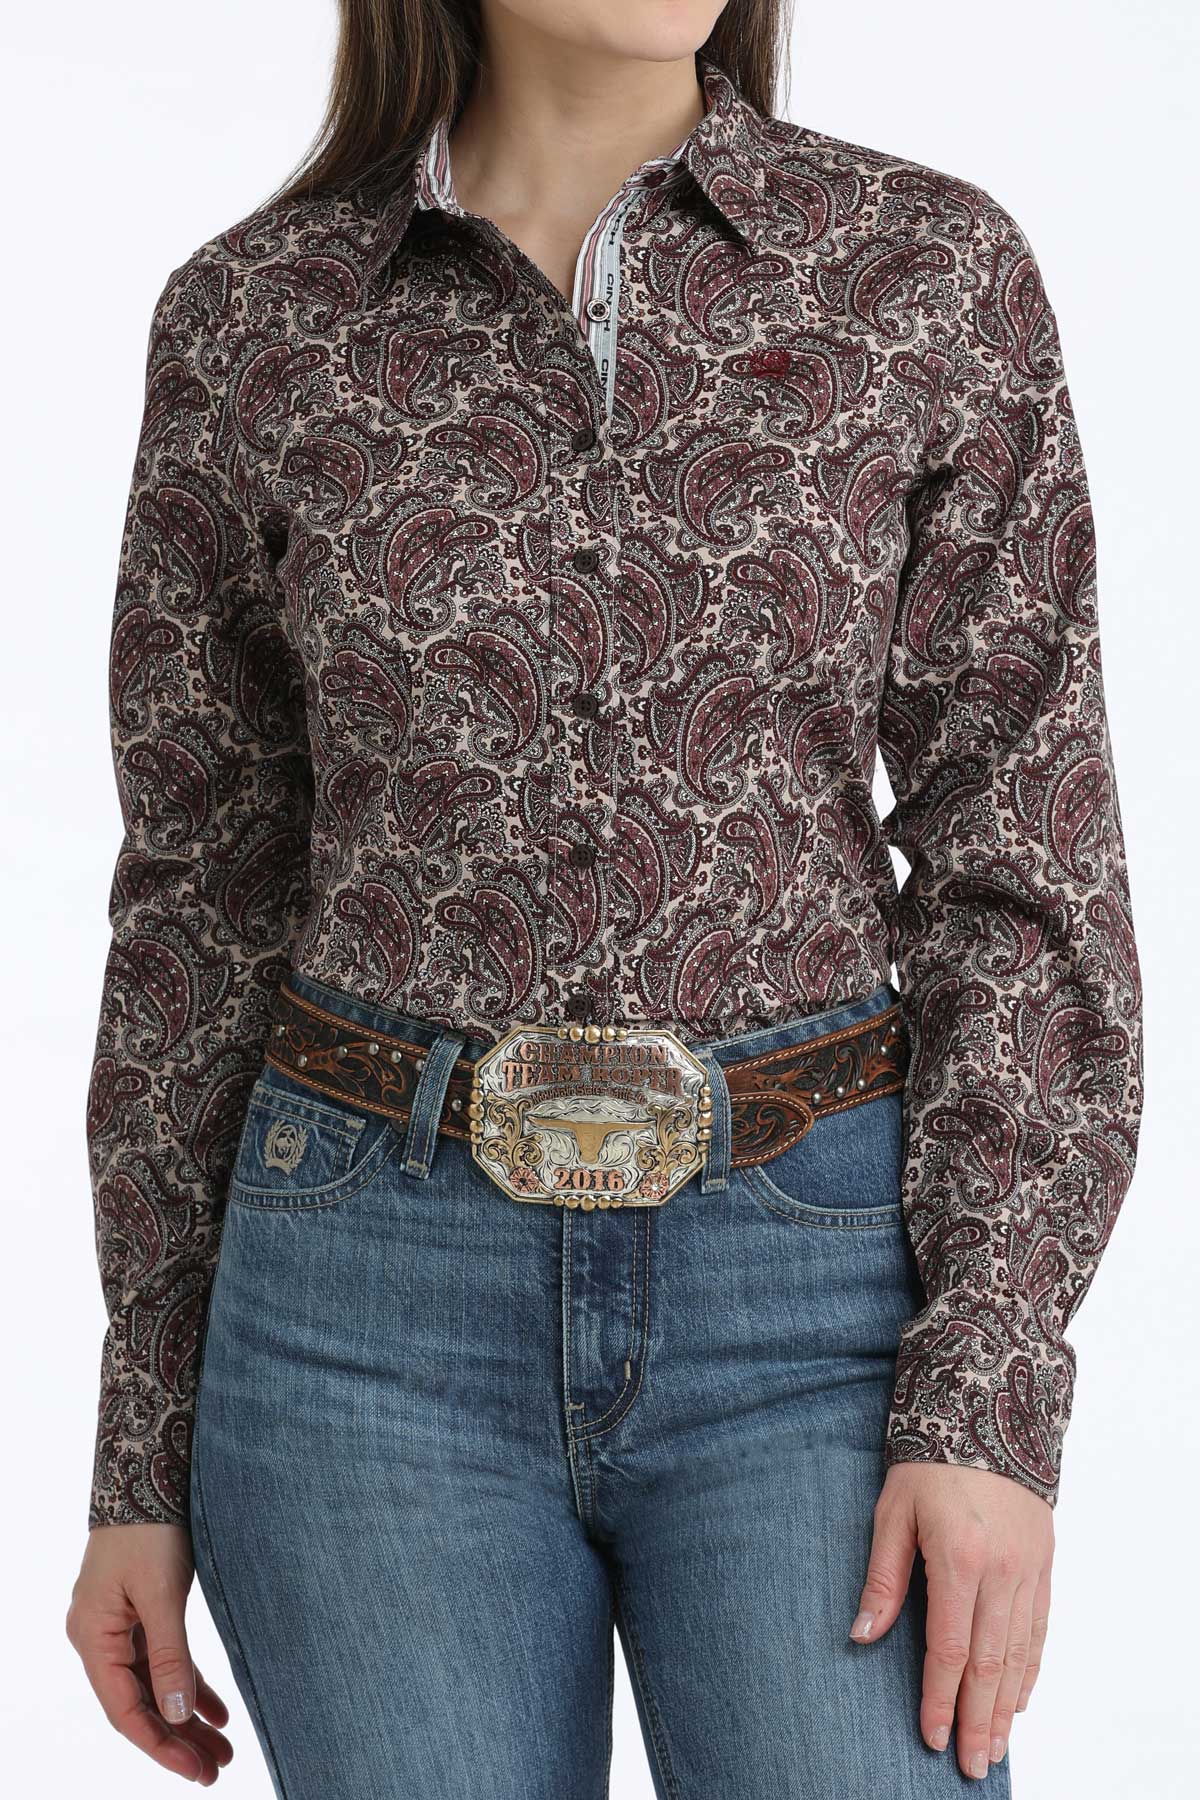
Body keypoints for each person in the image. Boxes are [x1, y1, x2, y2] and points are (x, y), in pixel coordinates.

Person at [65, 1, 1144, 1795]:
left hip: (820, 1312)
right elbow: (200, 902)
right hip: (358, 1321)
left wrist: (990, 1399)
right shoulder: (256, 323)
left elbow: (1023, 864)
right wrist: (139, 1451)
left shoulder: (925, 278)